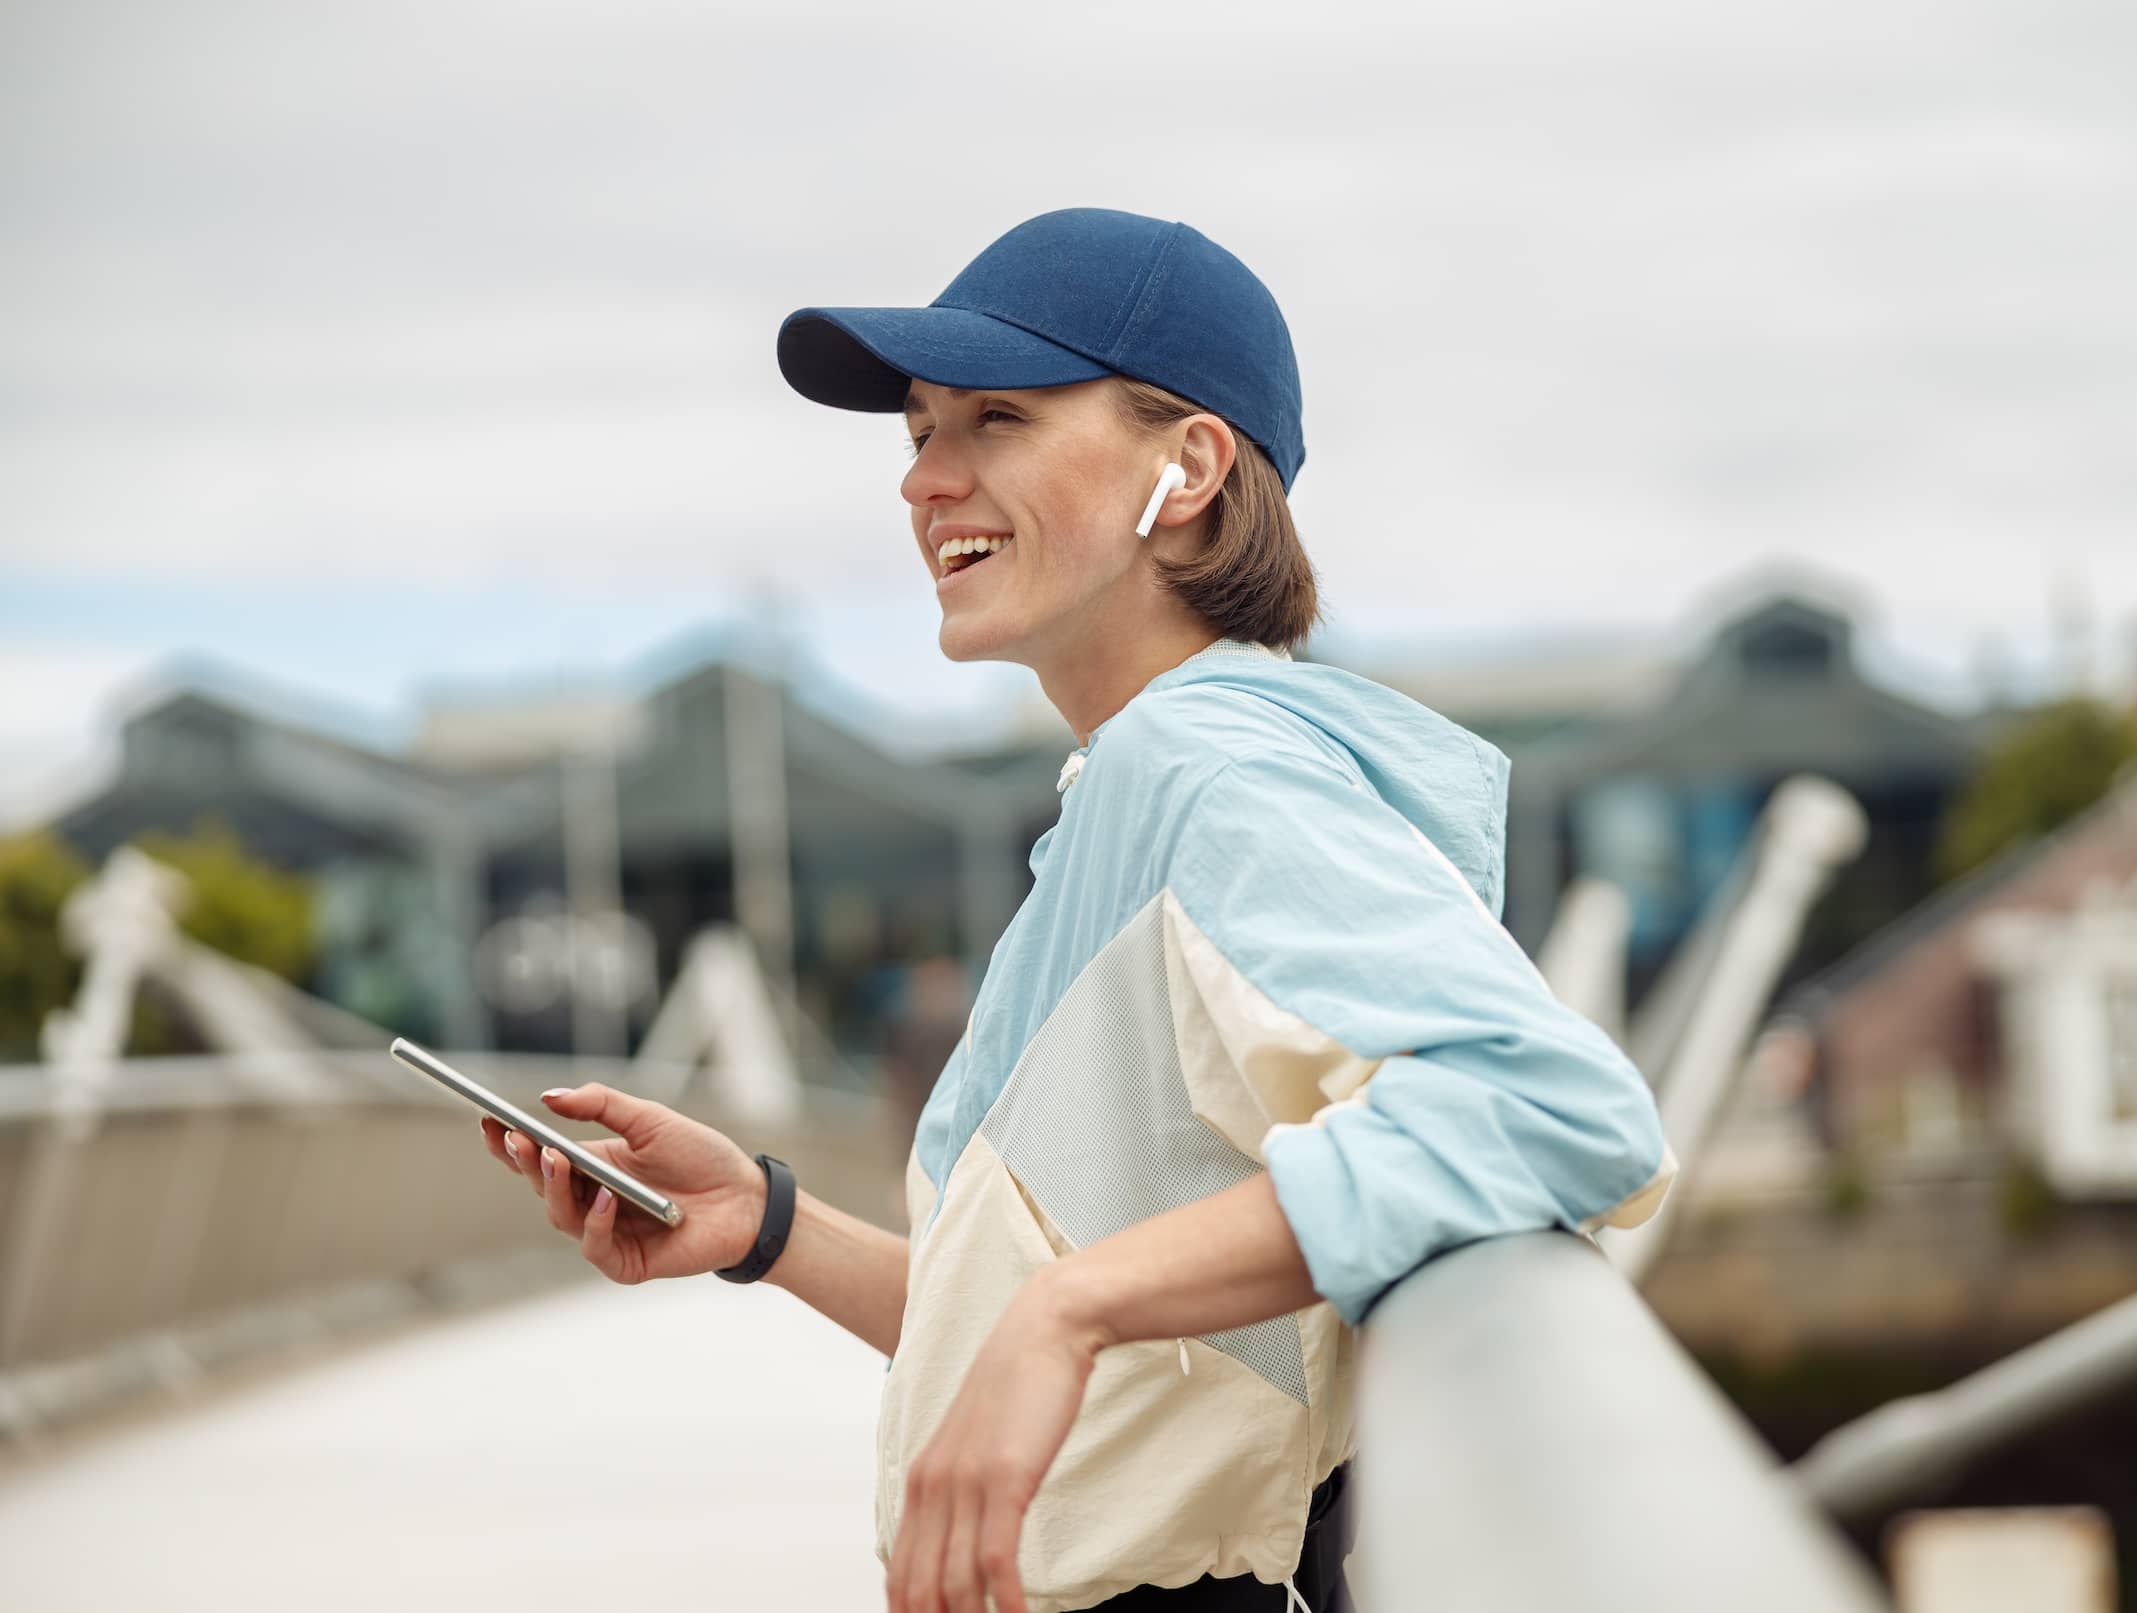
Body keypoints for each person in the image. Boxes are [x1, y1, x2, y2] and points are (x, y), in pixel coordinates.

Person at [481, 206, 1677, 1613]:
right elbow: (1110, 1351)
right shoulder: (1124, 790)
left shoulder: (1210, 771)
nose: (926, 478)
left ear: (1190, 465)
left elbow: (1551, 1108)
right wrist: (765, 1223)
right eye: (919, 429)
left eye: (995, 416)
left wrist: (1075, 1304)